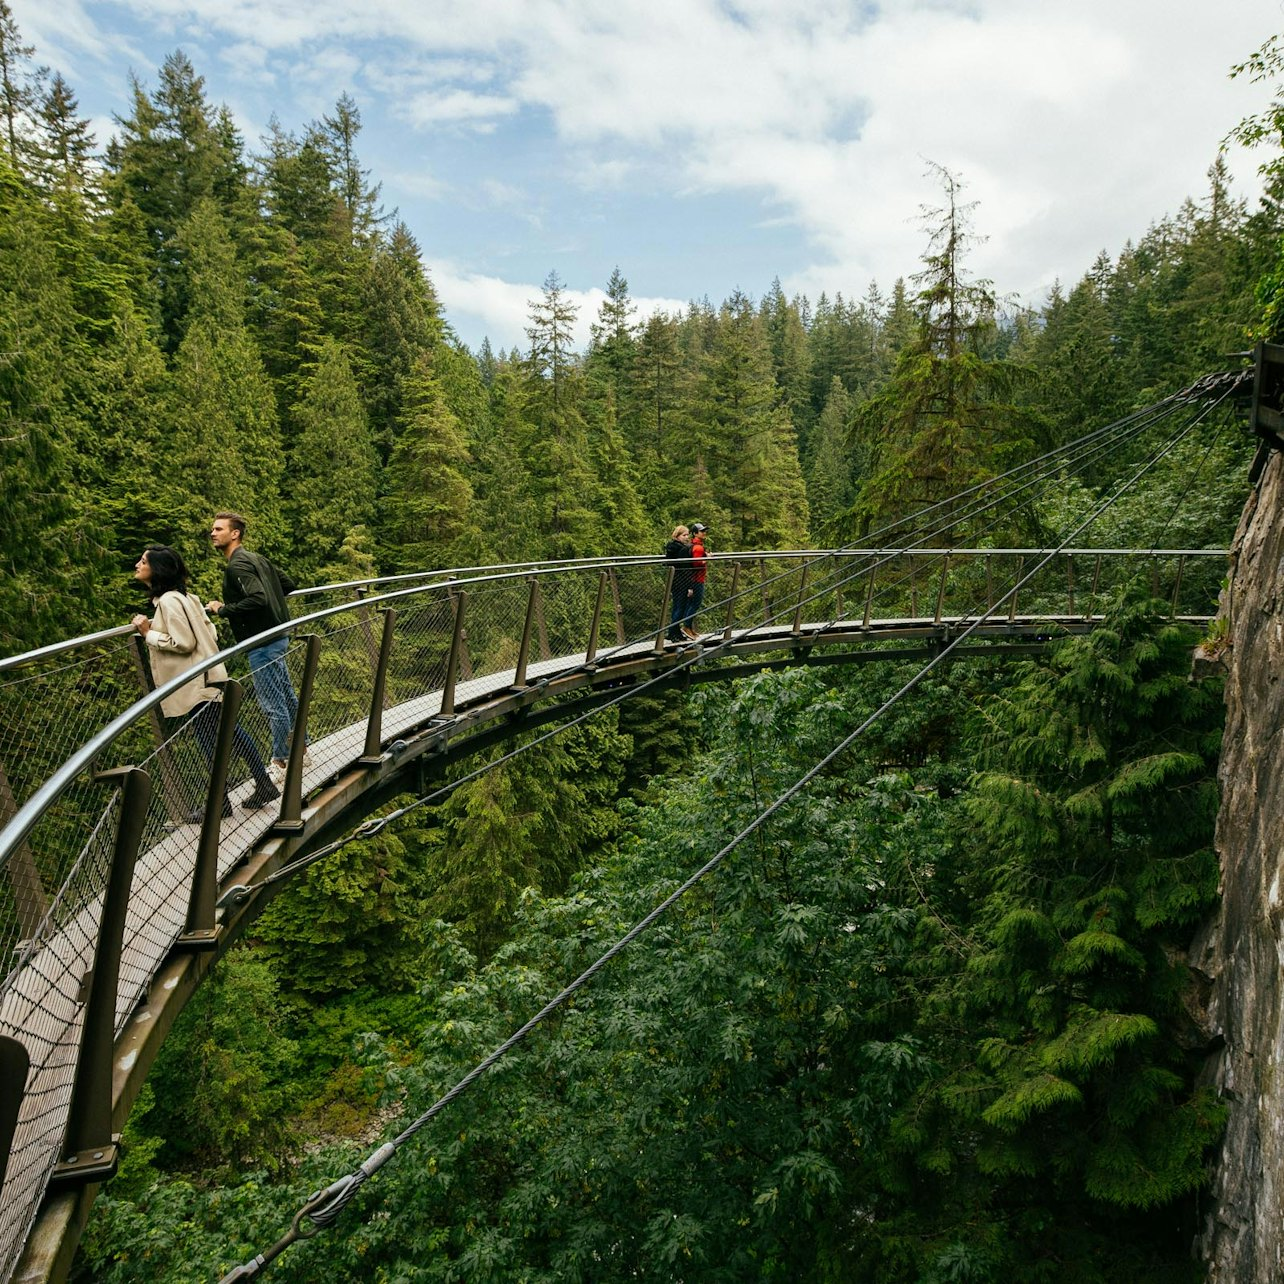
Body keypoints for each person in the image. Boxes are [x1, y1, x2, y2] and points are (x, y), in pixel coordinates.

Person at [132, 546, 280, 814]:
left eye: (143, 561)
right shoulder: (188, 597)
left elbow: (184, 642)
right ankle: (255, 786)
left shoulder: (168, 601)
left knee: (214, 741)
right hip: (209, 675)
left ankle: (223, 803)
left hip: (195, 684)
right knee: (228, 733)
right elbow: (210, 633)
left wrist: (148, 633)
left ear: (158, 569)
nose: (137, 565)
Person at [204, 511, 304, 782]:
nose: (213, 533)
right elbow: (288, 584)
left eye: (218, 529)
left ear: (234, 533)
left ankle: (281, 761)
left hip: (262, 642)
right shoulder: (257, 558)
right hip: (278, 635)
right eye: (212, 529)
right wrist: (271, 606)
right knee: (286, 694)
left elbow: (258, 598)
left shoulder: (237, 565)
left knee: (273, 703)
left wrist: (223, 609)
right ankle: (301, 745)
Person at [664, 525, 693, 644]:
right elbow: (686, 567)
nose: (686, 537)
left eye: (687, 535)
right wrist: (690, 586)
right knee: (680, 607)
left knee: (677, 606)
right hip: (682, 581)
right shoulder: (683, 549)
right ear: (677, 536)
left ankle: (674, 632)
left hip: (674, 580)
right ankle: (673, 632)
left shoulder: (672, 547)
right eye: (684, 535)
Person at [683, 522, 709, 638]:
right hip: (697, 579)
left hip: (693, 578)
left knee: (691, 604)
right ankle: (687, 627)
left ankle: (689, 628)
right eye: (701, 531)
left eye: (704, 531)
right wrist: (707, 558)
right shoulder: (698, 547)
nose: (704, 533)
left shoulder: (693, 545)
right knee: (695, 603)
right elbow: (697, 563)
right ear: (695, 533)